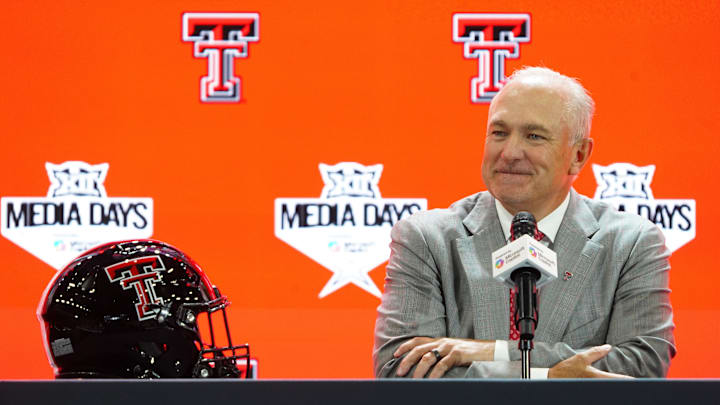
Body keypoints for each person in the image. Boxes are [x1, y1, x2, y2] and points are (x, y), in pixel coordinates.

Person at [373, 66, 675, 379]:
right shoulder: (425, 238)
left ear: (579, 155)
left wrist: (494, 351)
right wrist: (548, 378)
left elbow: (644, 363)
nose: (510, 152)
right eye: (499, 132)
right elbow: (400, 370)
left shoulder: (631, 243)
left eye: (534, 136)